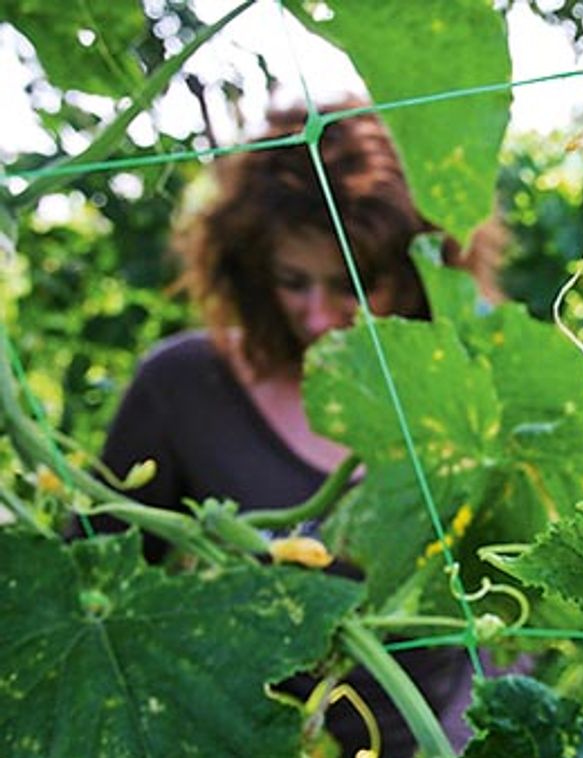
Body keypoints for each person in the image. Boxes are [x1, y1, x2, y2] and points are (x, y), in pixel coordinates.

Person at [98, 98, 504, 755]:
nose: (317, 317)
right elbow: (96, 580)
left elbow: (505, 614)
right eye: (293, 282)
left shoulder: (473, 393)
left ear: (417, 274)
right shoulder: (184, 389)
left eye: (350, 286)